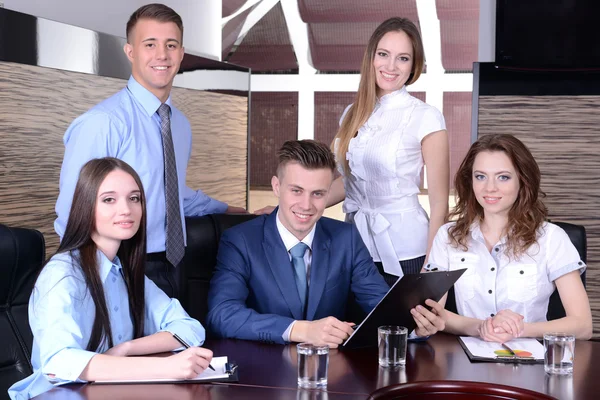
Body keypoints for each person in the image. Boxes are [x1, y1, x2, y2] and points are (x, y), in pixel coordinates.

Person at [54, 3, 245, 299]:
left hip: (174, 263)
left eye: (171, 45)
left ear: (182, 53)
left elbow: (172, 193)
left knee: (180, 342)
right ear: (130, 52)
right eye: (150, 44)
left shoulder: (179, 124)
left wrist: (230, 210)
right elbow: (72, 210)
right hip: (120, 262)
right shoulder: (103, 123)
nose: (162, 55)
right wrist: (99, 275)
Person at [255, 17, 449, 286]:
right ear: (371, 57)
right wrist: (284, 210)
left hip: (407, 250)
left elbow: (440, 203)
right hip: (356, 243)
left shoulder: (426, 117)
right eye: (383, 54)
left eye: (403, 58)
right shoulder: (352, 113)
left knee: (402, 329)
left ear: (414, 65)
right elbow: (349, 184)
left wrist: (432, 267)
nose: (391, 66)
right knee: (355, 326)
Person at [207, 140, 446, 347]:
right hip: (262, 372)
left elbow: (381, 306)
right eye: (297, 191)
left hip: (328, 373)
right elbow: (222, 315)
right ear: (276, 187)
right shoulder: (240, 240)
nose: (306, 205)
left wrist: (414, 327)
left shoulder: (347, 238)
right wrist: (300, 330)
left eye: (318, 194)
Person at [9, 158, 212, 400]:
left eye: (134, 198)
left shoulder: (123, 271)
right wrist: (166, 367)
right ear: (86, 207)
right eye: (109, 199)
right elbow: (58, 362)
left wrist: (126, 349)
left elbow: (189, 328)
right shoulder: (63, 273)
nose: (126, 209)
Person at [427, 134, 592, 342]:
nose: (489, 188)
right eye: (480, 176)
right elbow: (431, 313)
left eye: (503, 177)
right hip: (465, 359)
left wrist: (517, 328)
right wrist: (481, 327)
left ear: (523, 181)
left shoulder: (552, 238)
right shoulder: (448, 236)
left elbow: (583, 325)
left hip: (529, 361)